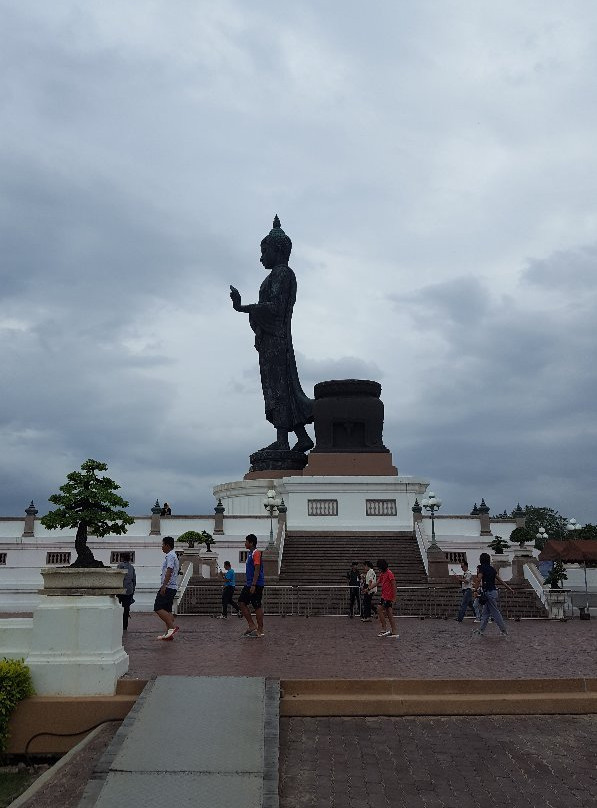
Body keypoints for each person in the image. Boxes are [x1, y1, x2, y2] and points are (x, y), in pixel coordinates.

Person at [230, 215, 314, 453]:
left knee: (279, 387)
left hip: (276, 339)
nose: (261, 257)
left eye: (264, 251)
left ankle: (283, 441)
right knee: (280, 386)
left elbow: (275, 308)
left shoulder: (282, 274)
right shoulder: (275, 275)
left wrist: (242, 307)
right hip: (271, 340)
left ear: (277, 250)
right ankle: (301, 437)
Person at [473, 552, 514, 637]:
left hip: (488, 592)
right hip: (493, 592)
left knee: (495, 612)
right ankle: (481, 630)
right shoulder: (492, 569)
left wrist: (475, 590)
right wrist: (509, 588)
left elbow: (478, 579)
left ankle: (504, 630)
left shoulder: (481, 568)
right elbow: (500, 580)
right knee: (485, 613)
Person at [238, 534, 265, 638]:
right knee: (242, 602)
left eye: (246, 541)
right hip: (250, 583)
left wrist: (253, 584)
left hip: (255, 584)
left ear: (251, 543)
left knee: (257, 606)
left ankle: (260, 629)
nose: (245, 543)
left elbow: (257, 568)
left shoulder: (256, 553)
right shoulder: (250, 554)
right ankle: (252, 625)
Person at [154, 536, 180, 640]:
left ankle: (172, 628)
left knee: (158, 607)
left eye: (163, 545)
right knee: (167, 609)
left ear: (167, 545)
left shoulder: (170, 556)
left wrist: (164, 585)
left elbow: (169, 571)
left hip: (168, 586)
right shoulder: (173, 555)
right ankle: (169, 634)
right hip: (172, 586)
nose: (162, 547)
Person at [375, 559, 399, 638]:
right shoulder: (383, 574)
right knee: (389, 613)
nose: (378, 569)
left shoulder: (389, 573)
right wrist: (368, 589)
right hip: (384, 596)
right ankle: (394, 630)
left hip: (388, 597)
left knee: (379, 609)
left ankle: (384, 628)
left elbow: (394, 585)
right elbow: (378, 582)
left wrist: (394, 598)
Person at [117, 552, 136, 631]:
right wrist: (133, 590)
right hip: (129, 590)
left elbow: (117, 577)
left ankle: (117, 623)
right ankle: (125, 626)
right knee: (126, 609)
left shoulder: (120, 566)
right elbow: (134, 580)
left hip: (120, 589)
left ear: (122, 558)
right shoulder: (131, 567)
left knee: (118, 607)